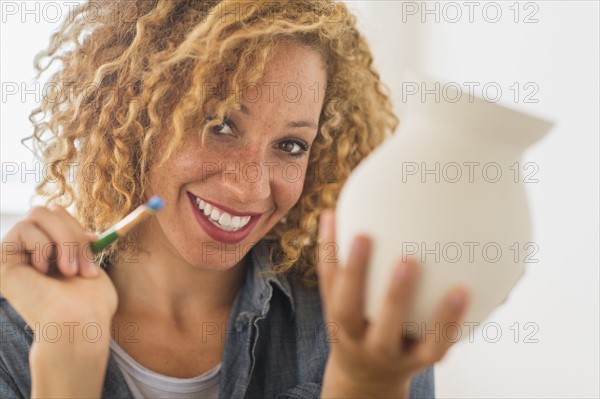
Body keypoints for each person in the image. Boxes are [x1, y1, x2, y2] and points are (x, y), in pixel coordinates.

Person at [0, 0, 469, 398]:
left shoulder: (361, 329)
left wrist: (366, 384)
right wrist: (68, 361)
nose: (251, 188)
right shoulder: (13, 334)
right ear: (134, 111)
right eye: (219, 125)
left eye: (290, 146)